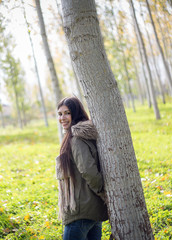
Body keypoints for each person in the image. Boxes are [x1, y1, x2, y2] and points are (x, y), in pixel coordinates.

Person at [56, 96, 108, 240]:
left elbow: (88, 171)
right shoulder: (81, 136)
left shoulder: (77, 139)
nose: (62, 118)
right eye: (60, 114)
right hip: (92, 211)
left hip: (81, 213)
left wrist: (103, 192)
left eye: (67, 113)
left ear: (76, 113)